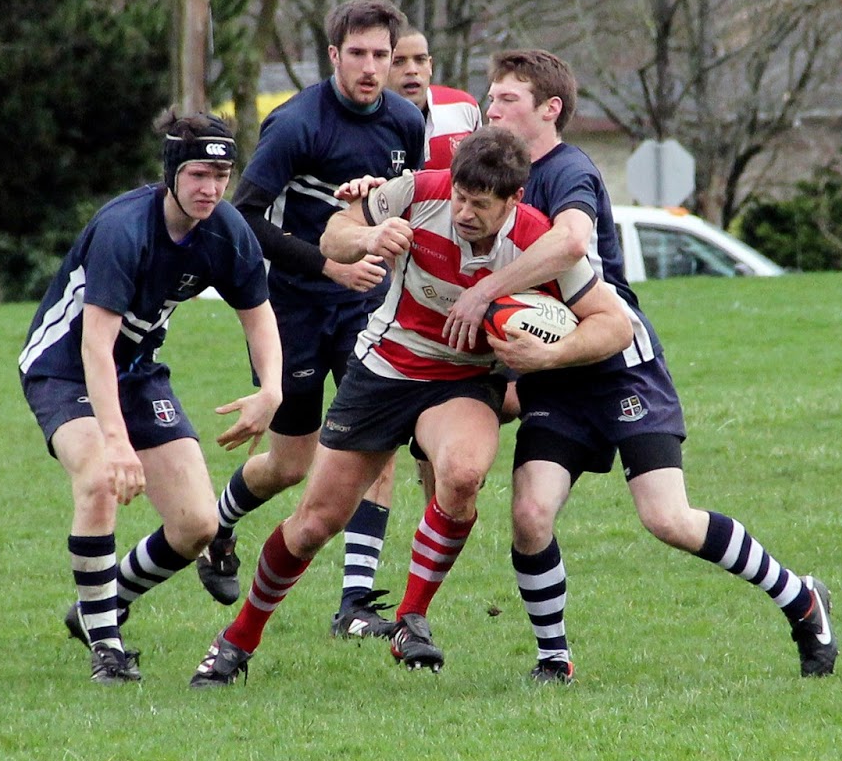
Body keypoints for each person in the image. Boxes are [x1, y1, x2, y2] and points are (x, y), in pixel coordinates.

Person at [440, 49, 838, 683]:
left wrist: (486, 293)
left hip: (617, 361)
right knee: (529, 512)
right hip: (549, 374)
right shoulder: (488, 174)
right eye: (489, 98)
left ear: (550, 109)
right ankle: (554, 660)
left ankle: (801, 598)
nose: (491, 108)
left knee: (667, 519)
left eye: (506, 98)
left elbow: (570, 241)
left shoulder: (568, 170)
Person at [189, 128, 634, 687]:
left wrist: (551, 354)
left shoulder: (535, 241)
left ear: (514, 200)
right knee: (314, 524)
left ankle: (410, 618)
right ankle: (237, 640)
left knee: (465, 474)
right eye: (460, 197)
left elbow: (615, 324)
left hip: (464, 380)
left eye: (481, 204)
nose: (464, 212)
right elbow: (334, 234)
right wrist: (370, 236)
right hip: (386, 368)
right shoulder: (420, 192)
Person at [18, 112, 282, 683]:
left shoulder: (225, 228)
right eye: (198, 174)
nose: (211, 187)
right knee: (97, 479)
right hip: (64, 369)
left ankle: (100, 605)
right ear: (171, 174)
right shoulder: (124, 229)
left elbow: (258, 318)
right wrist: (114, 442)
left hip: (136, 371)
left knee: (197, 525)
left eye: (222, 173)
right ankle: (107, 650)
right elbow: (94, 346)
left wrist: (271, 389)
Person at [197, 0, 426, 644]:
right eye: (358, 54)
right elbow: (241, 216)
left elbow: (402, 204)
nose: (371, 67)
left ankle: (355, 601)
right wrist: (326, 267)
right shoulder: (296, 125)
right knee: (291, 464)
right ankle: (218, 526)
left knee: (372, 444)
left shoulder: (406, 122)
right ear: (333, 56)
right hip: (295, 310)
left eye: (382, 55)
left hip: (367, 310)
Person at [388, 27, 483, 169]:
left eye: (420, 60)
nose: (412, 70)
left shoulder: (464, 107)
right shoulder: (367, 122)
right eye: (399, 62)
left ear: (430, 65)